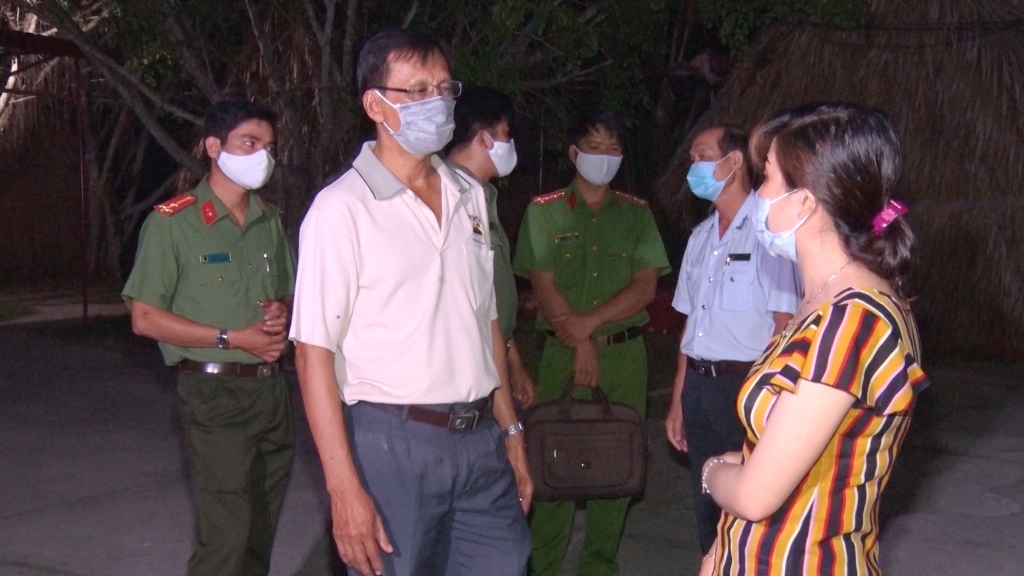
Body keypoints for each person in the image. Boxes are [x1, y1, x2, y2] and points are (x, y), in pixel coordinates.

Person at [288, 29, 532, 576]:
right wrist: (343, 486)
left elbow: (484, 321)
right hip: (391, 444)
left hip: (479, 443)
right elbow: (312, 356)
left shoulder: (470, 196)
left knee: (507, 563)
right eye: (416, 91)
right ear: (375, 104)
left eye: (444, 89)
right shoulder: (340, 210)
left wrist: (511, 433)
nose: (437, 103)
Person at [698, 103, 929, 576]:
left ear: (804, 202)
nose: (756, 195)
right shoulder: (822, 303)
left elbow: (755, 495)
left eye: (765, 179)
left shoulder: (855, 321)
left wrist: (711, 472)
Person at [122, 98, 295, 576]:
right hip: (215, 393)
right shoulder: (173, 222)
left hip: (271, 392)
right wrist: (231, 337)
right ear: (214, 147)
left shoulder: (268, 222)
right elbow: (145, 317)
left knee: (259, 535)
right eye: (250, 142)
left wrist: (280, 311)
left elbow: (280, 291)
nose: (263, 155)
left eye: (269, 146)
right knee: (226, 537)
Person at [513, 106, 670, 576]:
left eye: (614, 148)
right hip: (562, 354)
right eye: (595, 147)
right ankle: (543, 567)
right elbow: (541, 281)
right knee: (553, 461)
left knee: (616, 466)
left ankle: (598, 568)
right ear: (573, 152)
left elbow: (646, 286)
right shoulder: (543, 212)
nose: (605, 156)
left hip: (625, 357)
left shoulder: (637, 215)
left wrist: (589, 327)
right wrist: (579, 341)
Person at [664, 125, 801, 554]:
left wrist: (769, 398)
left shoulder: (767, 235)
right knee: (708, 509)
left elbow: (786, 325)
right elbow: (690, 328)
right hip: (701, 390)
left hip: (745, 388)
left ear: (735, 161)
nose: (693, 166)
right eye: (691, 158)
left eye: (702, 155)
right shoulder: (701, 237)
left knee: (750, 511)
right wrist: (678, 400)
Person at [445, 86, 535, 409]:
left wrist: (513, 361)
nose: (510, 144)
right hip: (467, 371)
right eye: (505, 134)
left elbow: (492, 296)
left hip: (493, 354)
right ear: (484, 139)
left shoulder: (483, 197)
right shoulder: (449, 199)